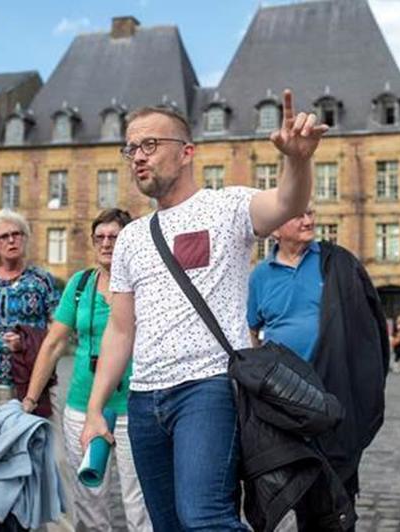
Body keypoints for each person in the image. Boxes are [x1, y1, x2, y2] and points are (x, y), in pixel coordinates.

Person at [80, 89, 327, 530]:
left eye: (150, 144)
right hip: (144, 400)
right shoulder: (132, 237)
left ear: (187, 152)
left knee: (204, 518)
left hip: (207, 388)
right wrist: (96, 408)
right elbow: (120, 329)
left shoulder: (226, 207)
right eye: (131, 148)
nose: (138, 156)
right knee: (168, 525)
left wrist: (298, 160)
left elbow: (286, 203)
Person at [246, 207, 389, 530]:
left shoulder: (336, 263)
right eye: (298, 215)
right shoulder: (260, 276)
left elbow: (368, 325)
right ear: (275, 229)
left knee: (337, 488)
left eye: (310, 213)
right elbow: (251, 329)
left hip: (333, 392)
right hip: (286, 400)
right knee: (294, 485)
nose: (308, 221)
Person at [24, 208, 151, 531]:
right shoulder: (80, 284)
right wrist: (30, 399)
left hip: (133, 406)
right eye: (100, 237)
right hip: (82, 405)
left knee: (140, 503)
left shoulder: (145, 284)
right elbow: (54, 344)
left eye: (114, 237)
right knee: (90, 500)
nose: (106, 243)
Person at [0, 209, 69, 531]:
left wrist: (27, 342)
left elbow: (60, 334)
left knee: (51, 460)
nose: (11, 240)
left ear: (25, 238)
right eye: (4, 236)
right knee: (1, 462)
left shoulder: (41, 280)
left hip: (34, 384)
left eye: (17, 234)